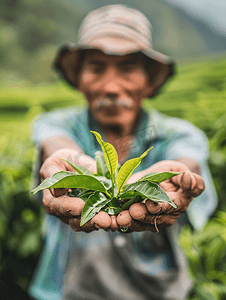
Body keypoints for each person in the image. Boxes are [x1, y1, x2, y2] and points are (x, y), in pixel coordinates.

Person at [29, 5, 217, 300]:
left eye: (128, 68)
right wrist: (69, 162)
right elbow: (54, 142)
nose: (112, 86)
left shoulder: (178, 134)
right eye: (96, 67)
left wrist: (179, 178)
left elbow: (186, 160)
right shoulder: (57, 124)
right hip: (67, 291)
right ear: (79, 78)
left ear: (148, 79)